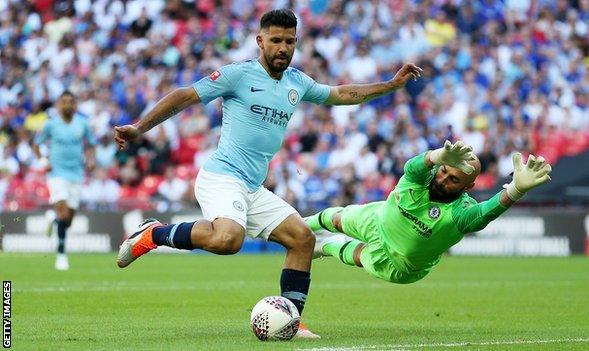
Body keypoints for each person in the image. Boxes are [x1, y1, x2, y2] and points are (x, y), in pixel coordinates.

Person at [113, 9, 423, 338]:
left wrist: (391, 85)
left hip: (252, 187)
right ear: (260, 41)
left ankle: (291, 320)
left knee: (303, 239)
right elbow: (186, 95)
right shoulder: (239, 75)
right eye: (276, 40)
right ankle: (153, 234)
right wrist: (139, 127)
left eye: (289, 41)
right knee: (229, 239)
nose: (283, 48)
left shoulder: (297, 82)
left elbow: (342, 94)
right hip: (222, 176)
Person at [306, 140, 552, 284]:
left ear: (468, 187)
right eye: (443, 170)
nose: (443, 179)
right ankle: (293, 224)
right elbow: (411, 167)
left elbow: (484, 213)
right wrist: (435, 156)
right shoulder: (421, 177)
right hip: (377, 218)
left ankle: (324, 247)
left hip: (399, 263)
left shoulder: (459, 214)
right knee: (334, 218)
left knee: (348, 251)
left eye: (453, 179)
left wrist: (516, 190)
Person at [33, 90, 96, 270]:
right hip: (56, 174)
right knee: (63, 213)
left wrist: (90, 159)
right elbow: (36, 144)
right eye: (64, 102)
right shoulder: (50, 125)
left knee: (67, 219)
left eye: (71, 101)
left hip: (76, 174)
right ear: (59, 105)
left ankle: (53, 219)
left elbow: (91, 145)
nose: (68, 105)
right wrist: (44, 161)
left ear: (75, 105)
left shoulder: (83, 124)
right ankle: (61, 254)